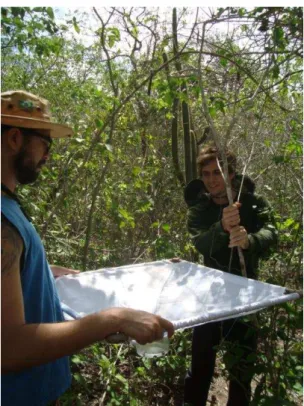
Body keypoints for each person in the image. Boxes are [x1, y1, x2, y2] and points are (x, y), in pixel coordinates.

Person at [1, 90, 174, 406]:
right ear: (15, 139)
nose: (48, 156)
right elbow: (7, 349)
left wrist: (47, 274)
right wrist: (112, 319)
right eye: (45, 144)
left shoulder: (7, 205)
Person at [183, 144, 277, 406]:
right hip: (207, 298)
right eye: (206, 174)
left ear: (231, 174)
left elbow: (272, 234)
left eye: (218, 173)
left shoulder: (255, 204)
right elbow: (202, 243)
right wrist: (222, 226)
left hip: (245, 295)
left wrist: (250, 241)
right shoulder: (198, 210)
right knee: (200, 367)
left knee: (241, 373)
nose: (212, 180)